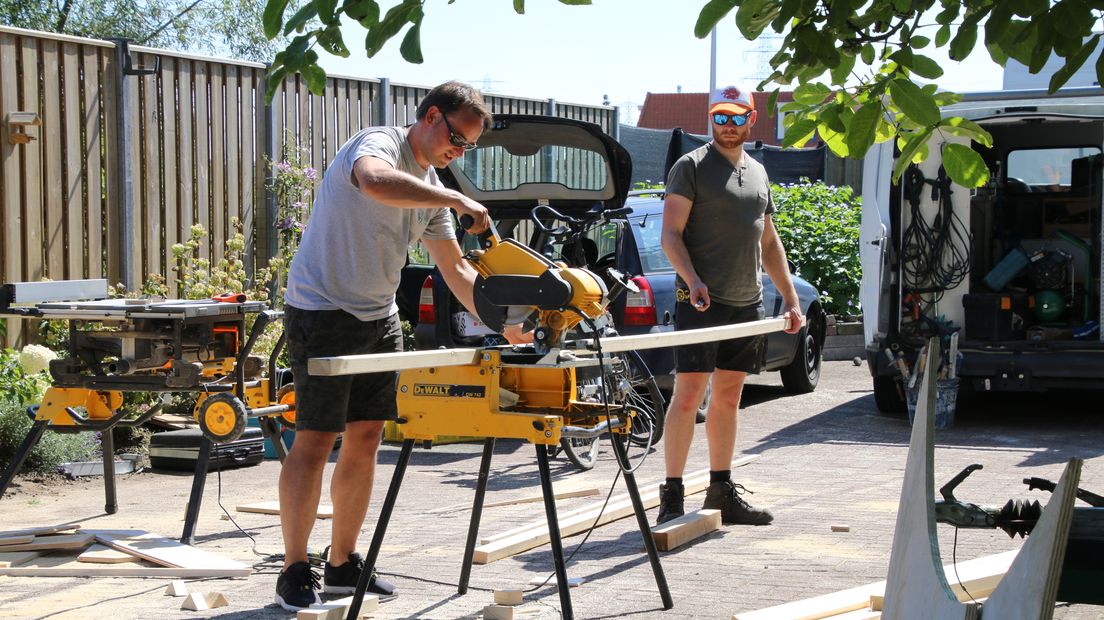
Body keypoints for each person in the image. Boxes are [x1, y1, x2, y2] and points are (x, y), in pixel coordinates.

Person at [275, 81, 526, 611]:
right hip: (321, 311)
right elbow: (374, 183)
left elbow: (454, 268)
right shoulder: (377, 144)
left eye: (467, 148)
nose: (458, 153)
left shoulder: (431, 189)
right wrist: (455, 194)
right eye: (457, 140)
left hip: (379, 316)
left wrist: (502, 325)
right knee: (316, 442)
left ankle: (342, 563)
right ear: (431, 116)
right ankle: (295, 568)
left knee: (366, 438)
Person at [655, 84, 804, 527]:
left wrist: (791, 299)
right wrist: (693, 280)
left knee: (729, 396)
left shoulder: (758, 172)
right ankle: (673, 495)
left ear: (751, 120)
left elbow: (769, 240)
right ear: (711, 119)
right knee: (688, 397)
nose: (728, 126)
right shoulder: (691, 167)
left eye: (737, 118)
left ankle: (721, 490)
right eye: (721, 117)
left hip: (747, 302)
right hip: (701, 302)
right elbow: (670, 235)